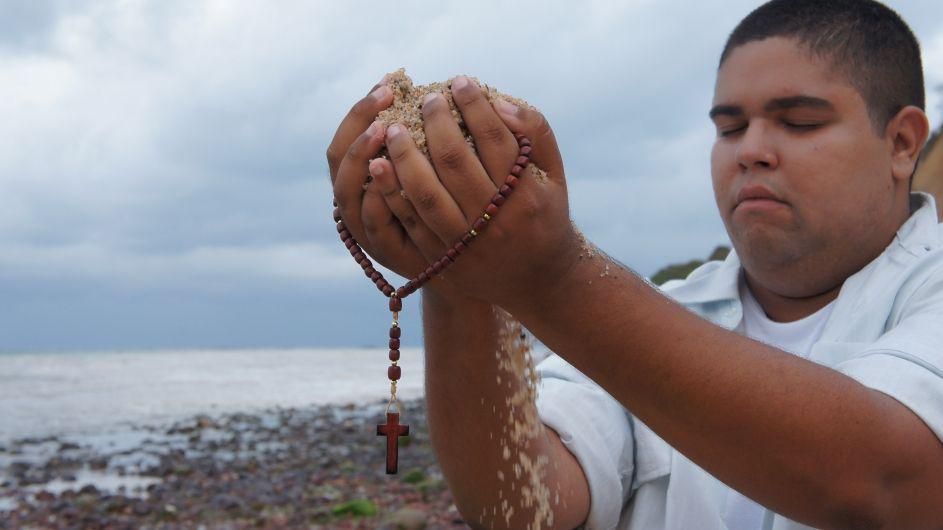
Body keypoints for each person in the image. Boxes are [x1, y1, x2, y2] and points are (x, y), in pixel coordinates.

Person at [327, 0, 943, 527]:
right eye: (729, 128)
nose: (752, 150)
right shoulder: (660, 313)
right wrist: (458, 278)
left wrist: (554, 277)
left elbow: (885, 485)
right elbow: (523, 505)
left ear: (902, 143)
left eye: (799, 121)